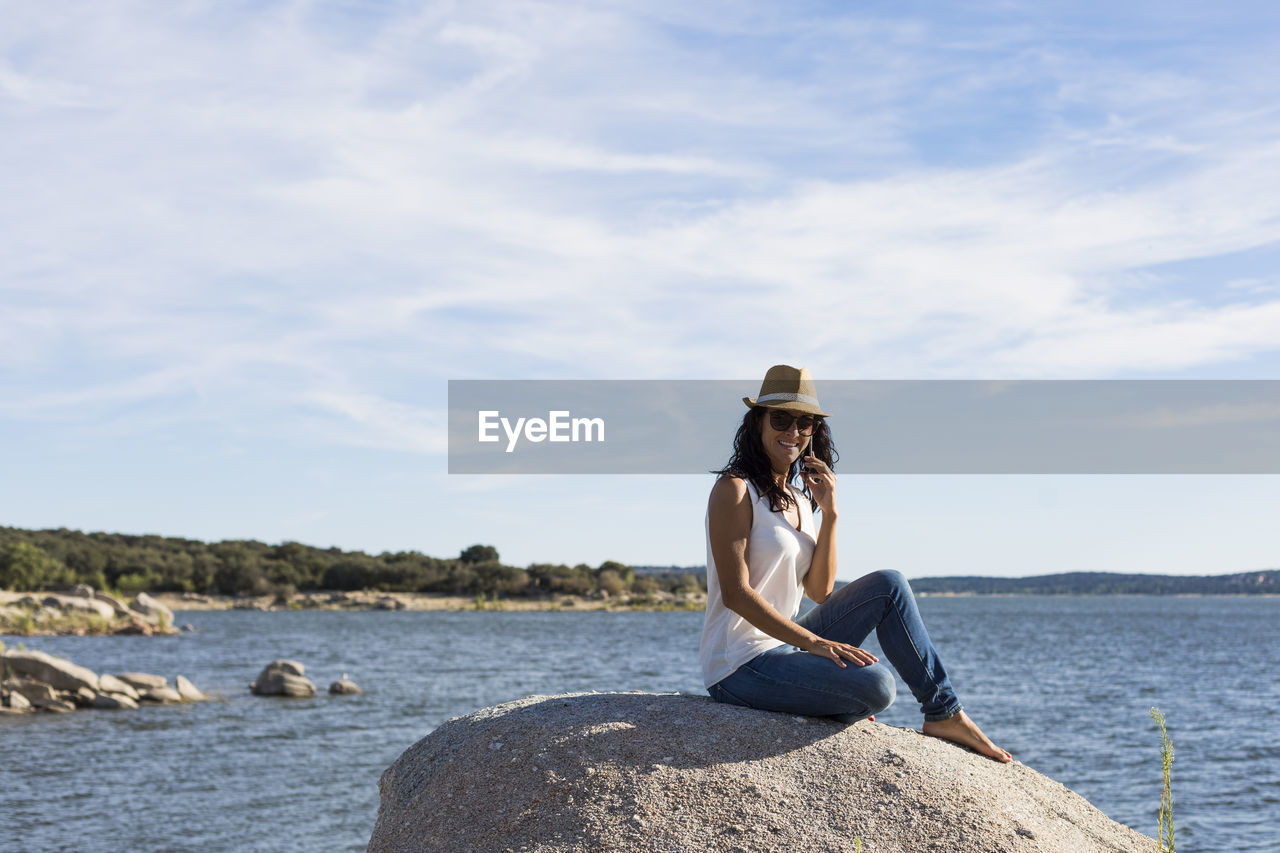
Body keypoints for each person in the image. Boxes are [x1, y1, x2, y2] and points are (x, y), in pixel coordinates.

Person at [699, 364, 1011, 763]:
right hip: (740, 665)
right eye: (780, 419)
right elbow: (736, 594)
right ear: (758, 422)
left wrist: (829, 513)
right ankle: (843, 702)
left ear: (815, 432)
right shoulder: (734, 489)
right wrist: (817, 644)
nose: (792, 432)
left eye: (804, 422)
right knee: (879, 686)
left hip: (786, 648)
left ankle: (943, 712)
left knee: (889, 583)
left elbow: (819, 591)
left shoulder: (799, 497)